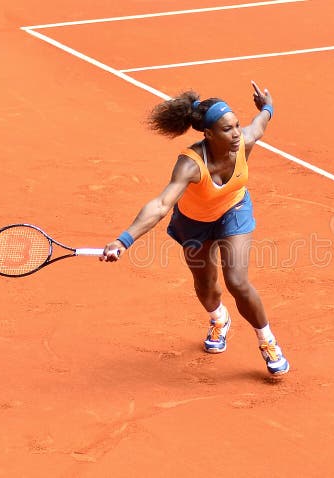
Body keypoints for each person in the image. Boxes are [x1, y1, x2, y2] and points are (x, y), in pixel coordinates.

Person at [101, 81, 290, 376]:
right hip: (193, 223)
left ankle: (267, 341)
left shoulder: (245, 141)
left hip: (234, 211)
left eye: (237, 125)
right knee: (206, 287)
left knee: (237, 282)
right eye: (228, 129)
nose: (237, 133)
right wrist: (123, 240)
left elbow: (261, 122)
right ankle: (219, 319)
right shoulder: (189, 164)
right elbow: (162, 204)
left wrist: (266, 105)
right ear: (209, 134)